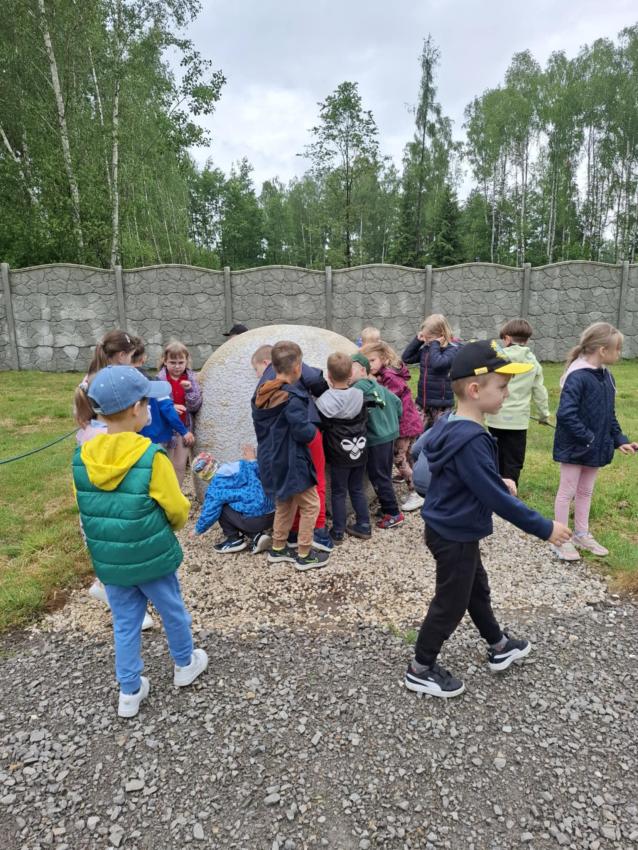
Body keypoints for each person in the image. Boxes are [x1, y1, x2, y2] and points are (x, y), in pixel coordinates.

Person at [405, 340, 571, 698]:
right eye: (502, 386)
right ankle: (420, 668)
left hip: (449, 528)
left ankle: (498, 645)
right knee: (450, 603)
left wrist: (496, 479)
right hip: (455, 534)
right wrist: (545, 528)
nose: (507, 393)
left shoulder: (450, 423)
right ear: (475, 390)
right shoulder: (473, 438)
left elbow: (430, 455)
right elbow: (496, 500)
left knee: (475, 590)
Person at [72, 366, 208, 718]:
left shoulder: (81, 457)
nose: (150, 407)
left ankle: (129, 691)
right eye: (148, 401)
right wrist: (172, 525)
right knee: (172, 610)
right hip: (152, 556)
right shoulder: (151, 457)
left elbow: (87, 508)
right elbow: (176, 508)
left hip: (111, 561)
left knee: (125, 623)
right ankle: (184, 664)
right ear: (136, 409)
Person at [551, 322, 637, 562]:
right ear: (602, 350)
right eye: (617, 349)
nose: (619, 354)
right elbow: (565, 414)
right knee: (567, 492)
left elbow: (610, 415)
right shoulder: (577, 376)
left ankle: (581, 534)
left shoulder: (607, 377)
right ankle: (560, 540)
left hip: (595, 448)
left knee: (586, 491)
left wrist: (619, 440)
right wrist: (589, 437)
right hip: (574, 447)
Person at [252, 340, 330, 571]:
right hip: (292, 459)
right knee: (311, 504)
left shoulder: (262, 394)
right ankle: (304, 553)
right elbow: (301, 430)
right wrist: (313, 430)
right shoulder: (291, 397)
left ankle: (278, 548)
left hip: (272, 458)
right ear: (297, 368)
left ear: (273, 366)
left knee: (284, 503)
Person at [485, 319, 550, 485]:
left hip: (495, 417)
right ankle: (510, 491)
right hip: (518, 422)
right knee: (513, 460)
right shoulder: (533, 362)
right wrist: (544, 415)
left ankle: (493, 490)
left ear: (507, 338)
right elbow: (540, 391)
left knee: (495, 457)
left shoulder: (497, 359)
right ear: (526, 340)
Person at [362, 340, 424, 513]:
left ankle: (416, 492)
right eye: (367, 362)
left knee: (399, 459)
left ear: (383, 358)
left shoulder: (388, 376)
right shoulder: (388, 373)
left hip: (404, 425)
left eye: (372, 360)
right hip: (408, 422)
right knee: (408, 458)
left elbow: (388, 399)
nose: (369, 365)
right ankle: (419, 488)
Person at [316, 352, 371, 543]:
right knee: (357, 488)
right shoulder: (359, 395)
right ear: (350, 375)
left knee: (339, 492)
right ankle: (364, 525)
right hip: (360, 449)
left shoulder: (324, 400)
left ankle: (338, 531)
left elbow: (320, 424)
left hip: (338, 452)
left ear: (329, 375)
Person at [349, 353, 404, 529]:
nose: (347, 373)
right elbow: (397, 402)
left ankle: (393, 513)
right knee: (385, 474)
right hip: (389, 435)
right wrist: (391, 421)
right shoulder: (376, 385)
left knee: (379, 476)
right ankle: (387, 506)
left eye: (350, 369)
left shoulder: (357, 388)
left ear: (362, 370)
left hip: (375, 438)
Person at [193, 444, 275, 554]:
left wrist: (197, 530)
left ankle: (234, 540)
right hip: (272, 514)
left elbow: (209, 512)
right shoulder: (242, 465)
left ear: (203, 476)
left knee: (220, 508)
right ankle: (257, 536)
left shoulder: (215, 488)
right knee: (242, 503)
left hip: (254, 521)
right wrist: (252, 459)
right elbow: (259, 470)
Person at [402, 313, 462, 430]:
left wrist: (435, 344)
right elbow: (407, 358)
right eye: (424, 337)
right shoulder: (427, 348)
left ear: (441, 335)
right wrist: (417, 341)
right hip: (423, 402)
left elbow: (437, 364)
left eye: (429, 338)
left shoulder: (452, 349)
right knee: (418, 432)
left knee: (439, 434)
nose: (426, 341)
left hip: (441, 405)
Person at [157, 341, 201, 485]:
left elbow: (195, 406)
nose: (177, 366)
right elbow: (155, 405)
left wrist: (189, 390)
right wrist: (171, 407)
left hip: (184, 428)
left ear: (186, 361)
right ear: (165, 361)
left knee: (180, 465)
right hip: (165, 430)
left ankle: (177, 492)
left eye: (181, 362)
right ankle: (164, 493)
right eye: (172, 362)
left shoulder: (191, 378)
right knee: (164, 464)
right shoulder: (159, 380)